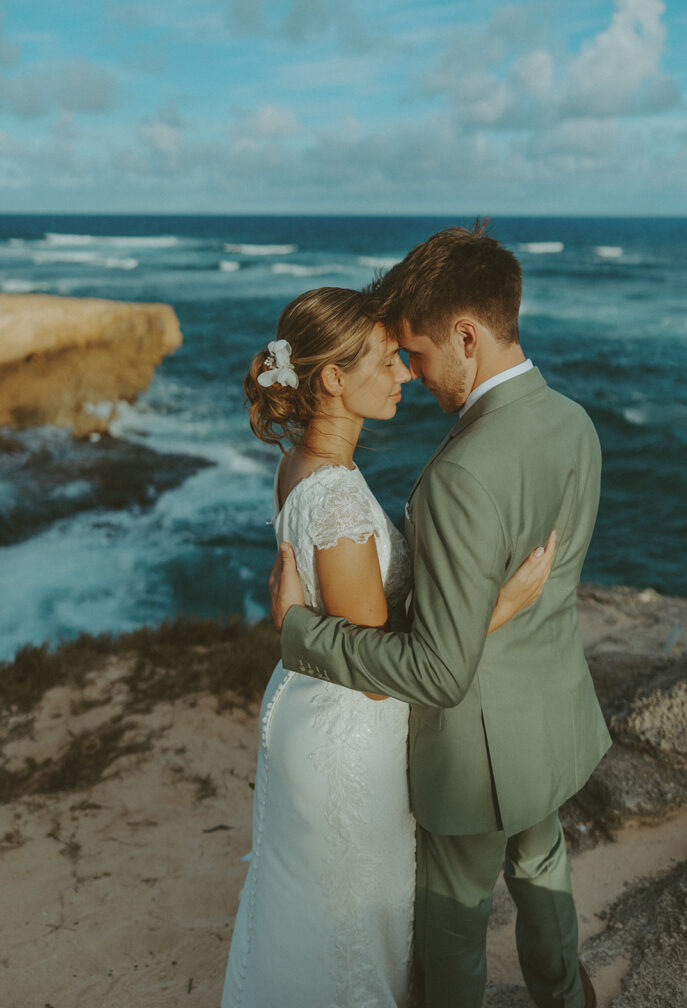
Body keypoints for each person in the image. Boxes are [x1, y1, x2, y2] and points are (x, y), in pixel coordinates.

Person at [270, 225, 611, 1008]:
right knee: (540, 872)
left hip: (476, 750)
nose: (411, 374)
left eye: (416, 354)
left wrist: (298, 632)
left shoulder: (462, 471)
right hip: (550, 717)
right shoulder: (573, 422)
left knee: (454, 928)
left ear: (466, 336)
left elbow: (437, 669)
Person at [221, 285, 556, 1008]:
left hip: (306, 702)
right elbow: (378, 671)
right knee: (352, 935)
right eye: (385, 359)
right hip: (348, 730)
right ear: (333, 380)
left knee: (310, 917)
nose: (404, 371)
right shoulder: (337, 498)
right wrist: (496, 606)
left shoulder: (300, 464)